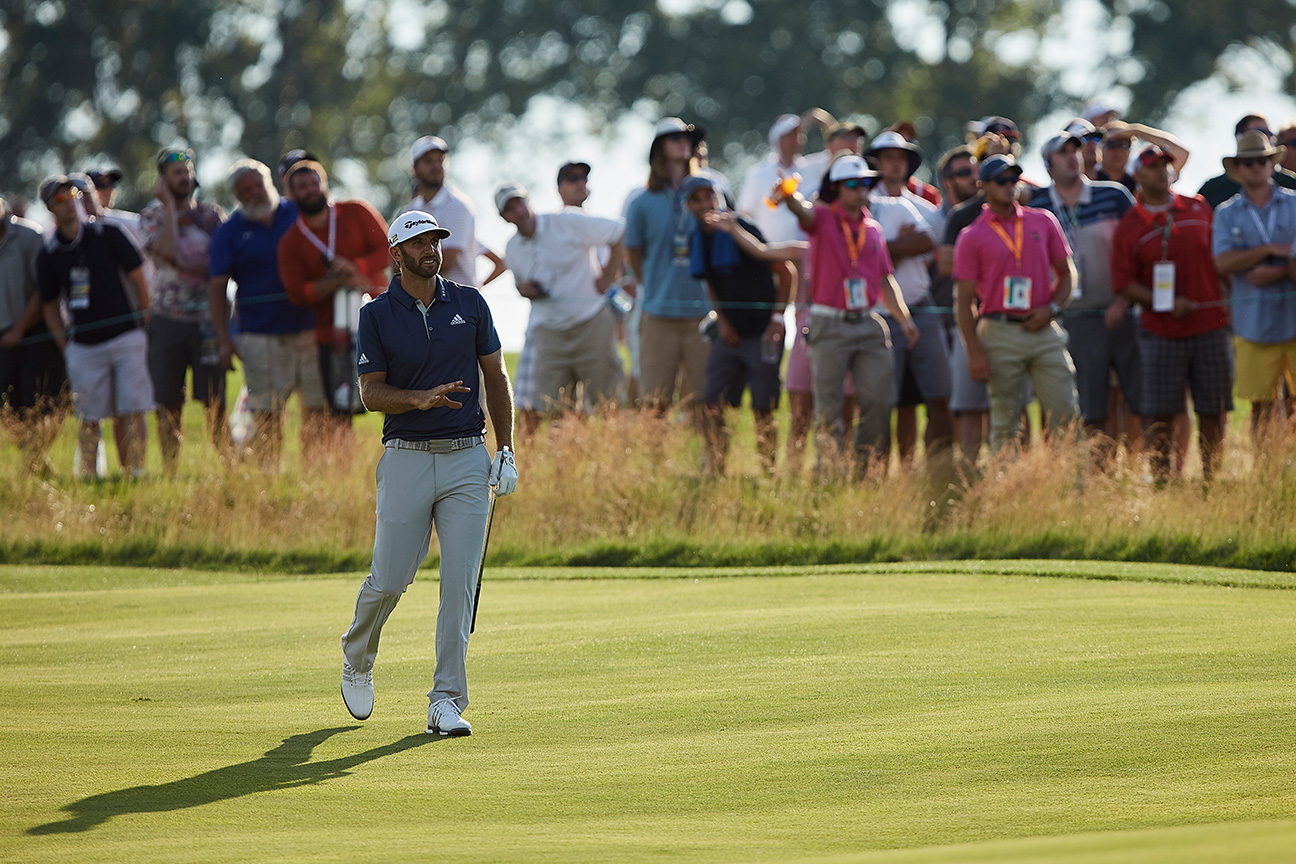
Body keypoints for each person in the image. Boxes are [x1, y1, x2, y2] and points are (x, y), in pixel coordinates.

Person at [340, 211, 517, 738]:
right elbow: (371, 393)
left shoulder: (470, 303)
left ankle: (446, 700)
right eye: (418, 243)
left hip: (466, 457)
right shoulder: (376, 315)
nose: (430, 250)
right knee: (391, 577)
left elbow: (496, 374)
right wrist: (418, 399)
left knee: (459, 586)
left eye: (435, 240)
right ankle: (357, 655)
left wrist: (505, 449)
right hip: (407, 456)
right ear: (397, 254)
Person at [776, 154, 918, 475]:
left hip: (868, 323)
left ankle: (862, 471)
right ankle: (830, 474)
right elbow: (804, 212)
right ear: (836, 188)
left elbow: (884, 279)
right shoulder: (823, 219)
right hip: (828, 322)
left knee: (879, 402)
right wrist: (789, 197)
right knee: (828, 408)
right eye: (852, 184)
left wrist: (905, 319)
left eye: (866, 183)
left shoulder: (873, 229)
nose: (860, 189)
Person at [1114, 146, 1232, 481]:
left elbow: (1219, 261)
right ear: (1137, 175)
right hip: (1160, 330)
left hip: (1211, 326)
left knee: (1213, 409)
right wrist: (1160, 301)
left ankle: (1211, 479)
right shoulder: (1130, 223)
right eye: (1152, 167)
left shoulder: (1197, 206)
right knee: (1161, 413)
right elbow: (1123, 283)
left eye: (1166, 164)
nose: (1162, 171)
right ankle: (1164, 483)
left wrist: (1228, 302)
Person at [953, 155, 1080, 453]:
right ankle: (1006, 491)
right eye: (1001, 180)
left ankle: (1073, 492)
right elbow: (963, 300)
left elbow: (1067, 274)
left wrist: (1053, 309)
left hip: (1044, 327)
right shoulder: (971, 236)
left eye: (1014, 179)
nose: (1010, 186)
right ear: (982, 186)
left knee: (1066, 412)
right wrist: (973, 351)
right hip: (998, 330)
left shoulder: (1043, 220)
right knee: (1006, 421)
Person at [1028, 131, 1140, 458]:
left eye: (1074, 151)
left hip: (1120, 310)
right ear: (1049, 166)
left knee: (1138, 400)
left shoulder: (1114, 196)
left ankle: (1135, 472)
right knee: (1089, 406)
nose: (1071, 157)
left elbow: (1137, 251)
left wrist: (1123, 299)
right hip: (1069, 318)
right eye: (1062, 154)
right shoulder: (1037, 207)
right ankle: (1097, 475)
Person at [206, 159, 323, 469]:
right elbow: (217, 287)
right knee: (266, 412)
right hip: (258, 334)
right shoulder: (230, 231)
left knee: (316, 408)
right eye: (247, 189)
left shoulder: (298, 213)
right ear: (238, 196)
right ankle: (267, 478)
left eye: (260, 184)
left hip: (310, 328)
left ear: (271, 182)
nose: (256, 192)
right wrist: (224, 339)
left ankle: (316, 475)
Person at [37, 175, 153, 477]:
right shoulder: (49, 254)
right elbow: (49, 306)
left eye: (72, 194)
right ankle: (90, 477)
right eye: (60, 199)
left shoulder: (108, 233)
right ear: (50, 208)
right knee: (89, 415)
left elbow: (139, 276)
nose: (70, 202)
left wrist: (143, 319)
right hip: (84, 345)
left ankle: (135, 473)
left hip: (126, 335)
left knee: (132, 408)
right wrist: (67, 345)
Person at [683, 174, 800, 473]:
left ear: (718, 197)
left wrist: (777, 319)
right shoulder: (697, 239)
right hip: (730, 334)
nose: (705, 203)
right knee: (711, 402)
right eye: (697, 199)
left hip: (762, 332)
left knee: (764, 407)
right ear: (688, 205)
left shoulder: (743, 228)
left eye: (709, 196)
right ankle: (716, 468)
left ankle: (768, 471)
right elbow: (711, 284)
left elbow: (785, 271)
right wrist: (722, 322)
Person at [278, 159, 390, 445]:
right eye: (302, 186)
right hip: (333, 338)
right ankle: (344, 476)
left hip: (381, 324)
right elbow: (296, 294)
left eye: (315, 182)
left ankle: (405, 459)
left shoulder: (356, 212)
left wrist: (357, 266)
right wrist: (338, 281)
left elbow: (390, 249)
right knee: (341, 411)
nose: (311, 190)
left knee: (395, 397)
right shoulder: (290, 241)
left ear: (325, 184)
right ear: (291, 194)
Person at [496, 182, 625, 418]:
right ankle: (569, 454)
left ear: (529, 200)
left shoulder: (566, 221)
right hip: (549, 333)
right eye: (510, 208)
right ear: (504, 218)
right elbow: (519, 284)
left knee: (609, 403)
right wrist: (525, 290)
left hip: (591, 323)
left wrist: (607, 277)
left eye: (520, 202)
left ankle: (614, 452)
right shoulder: (511, 248)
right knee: (554, 411)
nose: (519, 210)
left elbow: (618, 231)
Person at [866, 130, 953, 463]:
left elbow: (925, 243)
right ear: (876, 163)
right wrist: (896, 249)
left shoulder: (917, 205)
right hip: (880, 314)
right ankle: (884, 477)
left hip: (921, 307)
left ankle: (940, 469)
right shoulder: (863, 203)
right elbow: (860, 259)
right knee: (886, 400)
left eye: (900, 157)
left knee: (939, 394)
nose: (895, 163)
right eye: (888, 157)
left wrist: (882, 250)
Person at [139, 147, 227, 471]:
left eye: (187, 171)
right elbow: (168, 252)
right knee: (168, 400)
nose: (184, 177)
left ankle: (226, 467)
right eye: (176, 173)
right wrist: (168, 208)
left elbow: (220, 266)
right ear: (163, 180)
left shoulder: (211, 215)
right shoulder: (152, 216)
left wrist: (190, 264)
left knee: (214, 400)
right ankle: (170, 471)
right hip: (166, 319)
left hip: (207, 320)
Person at [624, 118, 713, 418]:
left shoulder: (711, 195)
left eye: (687, 137)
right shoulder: (641, 201)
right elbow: (633, 253)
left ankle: (712, 463)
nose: (683, 141)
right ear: (658, 149)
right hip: (658, 313)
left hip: (703, 313)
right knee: (654, 400)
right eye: (674, 137)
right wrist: (650, 285)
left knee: (706, 398)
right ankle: (653, 464)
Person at [1213, 130, 1296, 440]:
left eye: (1262, 160)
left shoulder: (1295, 204)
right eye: (1248, 162)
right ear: (1239, 168)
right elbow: (1221, 263)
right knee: (1261, 406)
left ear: (1271, 162)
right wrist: (1270, 251)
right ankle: (1265, 475)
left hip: (1293, 317)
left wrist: (1275, 273)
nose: (1256, 166)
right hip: (1253, 325)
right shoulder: (1225, 213)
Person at [0, 195, 66, 473]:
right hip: (3, 342)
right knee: (9, 410)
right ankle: (34, 462)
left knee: (42, 404)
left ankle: (35, 462)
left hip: (35, 337)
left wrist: (20, 328)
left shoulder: (30, 236)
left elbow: (45, 290)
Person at [390, 136, 481, 287]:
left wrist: (408, 259)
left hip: (459, 303)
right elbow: (394, 265)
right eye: (428, 161)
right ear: (414, 169)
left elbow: (446, 261)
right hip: (421, 303)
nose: (436, 166)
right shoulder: (407, 211)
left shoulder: (458, 206)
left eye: (440, 160)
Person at [1198, 115, 1296, 209]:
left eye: (1270, 133)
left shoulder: (1291, 185)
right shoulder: (1213, 190)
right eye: (1260, 131)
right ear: (1238, 137)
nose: (1266, 136)